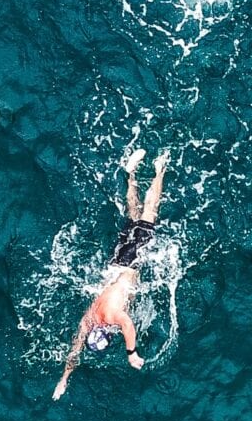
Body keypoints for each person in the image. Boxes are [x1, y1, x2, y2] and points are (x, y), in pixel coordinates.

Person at [52, 148, 171, 400]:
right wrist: (64, 378)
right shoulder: (89, 319)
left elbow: (127, 324)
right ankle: (130, 175)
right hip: (116, 261)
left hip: (130, 261)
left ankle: (160, 169)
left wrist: (132, 354)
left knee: (149, 214)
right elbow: (75, 350)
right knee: (132, 216)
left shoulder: (111, 316)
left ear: (104, 331)